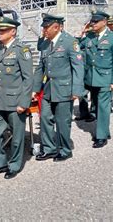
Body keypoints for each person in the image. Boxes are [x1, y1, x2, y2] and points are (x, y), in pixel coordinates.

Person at [0, 17, 33, 179]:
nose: (0, 33)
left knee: (17, 135)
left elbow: (28, 78)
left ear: (13, 31)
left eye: (4, 30)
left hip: (15, 101)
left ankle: (14, 165)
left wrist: (24, 102)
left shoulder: (22, 50)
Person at [32, 14, 84, 161]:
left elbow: (78, 67)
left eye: (46, 27)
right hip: (49, 88)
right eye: (43, 27)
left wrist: (77, 90)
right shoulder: (46, 44)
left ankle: (65, 150)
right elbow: (40, 67)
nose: (44, 30)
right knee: (45, 118)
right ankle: (49, 148)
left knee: (62, 121)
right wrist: (35, 89)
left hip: (64, 88)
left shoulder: (69, 42)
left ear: (56, 27)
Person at [79, 10, 113, 148]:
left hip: (105, 78)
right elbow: (79, 48)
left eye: (96, 21)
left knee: (103, 107)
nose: (93, 24)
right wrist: (82, 33)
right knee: (97, 106)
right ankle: (105, 130)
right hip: (91, 78)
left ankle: (101, 136)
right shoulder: (90, 37)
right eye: (92, 21)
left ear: (104, 22)